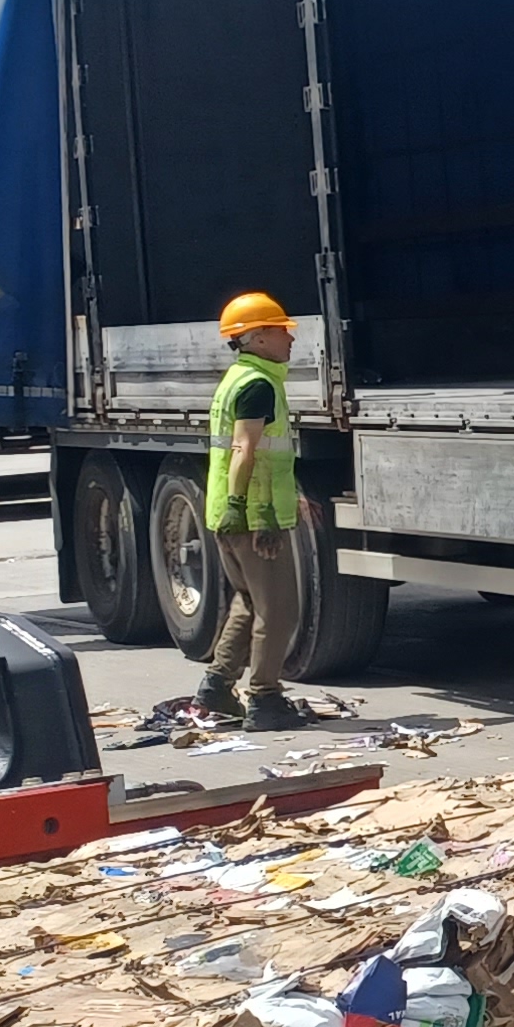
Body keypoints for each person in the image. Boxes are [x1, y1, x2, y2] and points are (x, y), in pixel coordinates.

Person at [197, 289, 307, 728]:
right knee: (279, 610)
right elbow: (245, 450)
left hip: (231, 512)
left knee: (248, 600)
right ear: (258, 337)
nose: (290, 338)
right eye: (281, 330)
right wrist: (252, 514)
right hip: (252, 514)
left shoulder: (238, 377)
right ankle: (264, 698)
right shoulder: (257, 385)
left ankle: (217, 685)